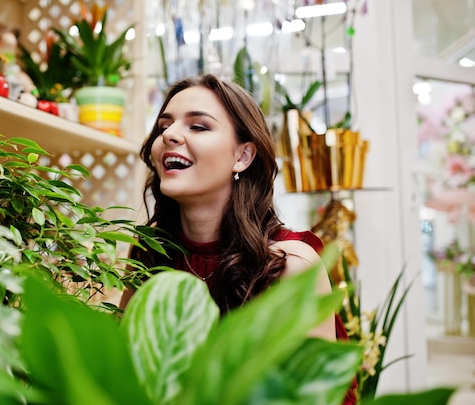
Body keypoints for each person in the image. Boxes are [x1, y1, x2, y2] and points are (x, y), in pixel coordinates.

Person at [120, 74, 356, 404]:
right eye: (164, 127)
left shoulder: (288, 265)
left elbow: (315, 396)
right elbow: (121, 376)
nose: (170, 135)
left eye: (198, 126)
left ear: (243, 156)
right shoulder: (150, 252)